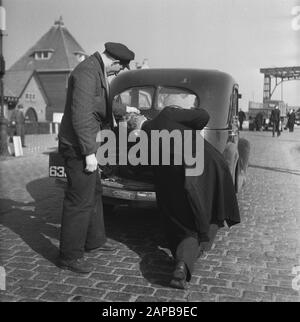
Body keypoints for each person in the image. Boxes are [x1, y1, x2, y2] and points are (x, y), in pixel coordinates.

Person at [127, 106, 240, 289]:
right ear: (143, 117)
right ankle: (191, 254)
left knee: (184, 224)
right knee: (210, 211)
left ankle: (183, 262)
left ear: (136, 130)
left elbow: (136, 167)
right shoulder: (167, 114)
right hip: (207, 167)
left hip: (174, 179)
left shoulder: (142, 143)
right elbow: (204, 115)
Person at [57, 42, 139, 274]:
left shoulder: (96, 70)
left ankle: (94, 241)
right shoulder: (86, 72)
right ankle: (69, 255)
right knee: (79, 200)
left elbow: (101, 104)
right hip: (78, 148)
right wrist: (89, 153)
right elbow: (81, 115)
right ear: (114, 62)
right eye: (119, 70)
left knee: (93, 193)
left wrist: (126, 110)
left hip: (87, 145)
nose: (117, 73)